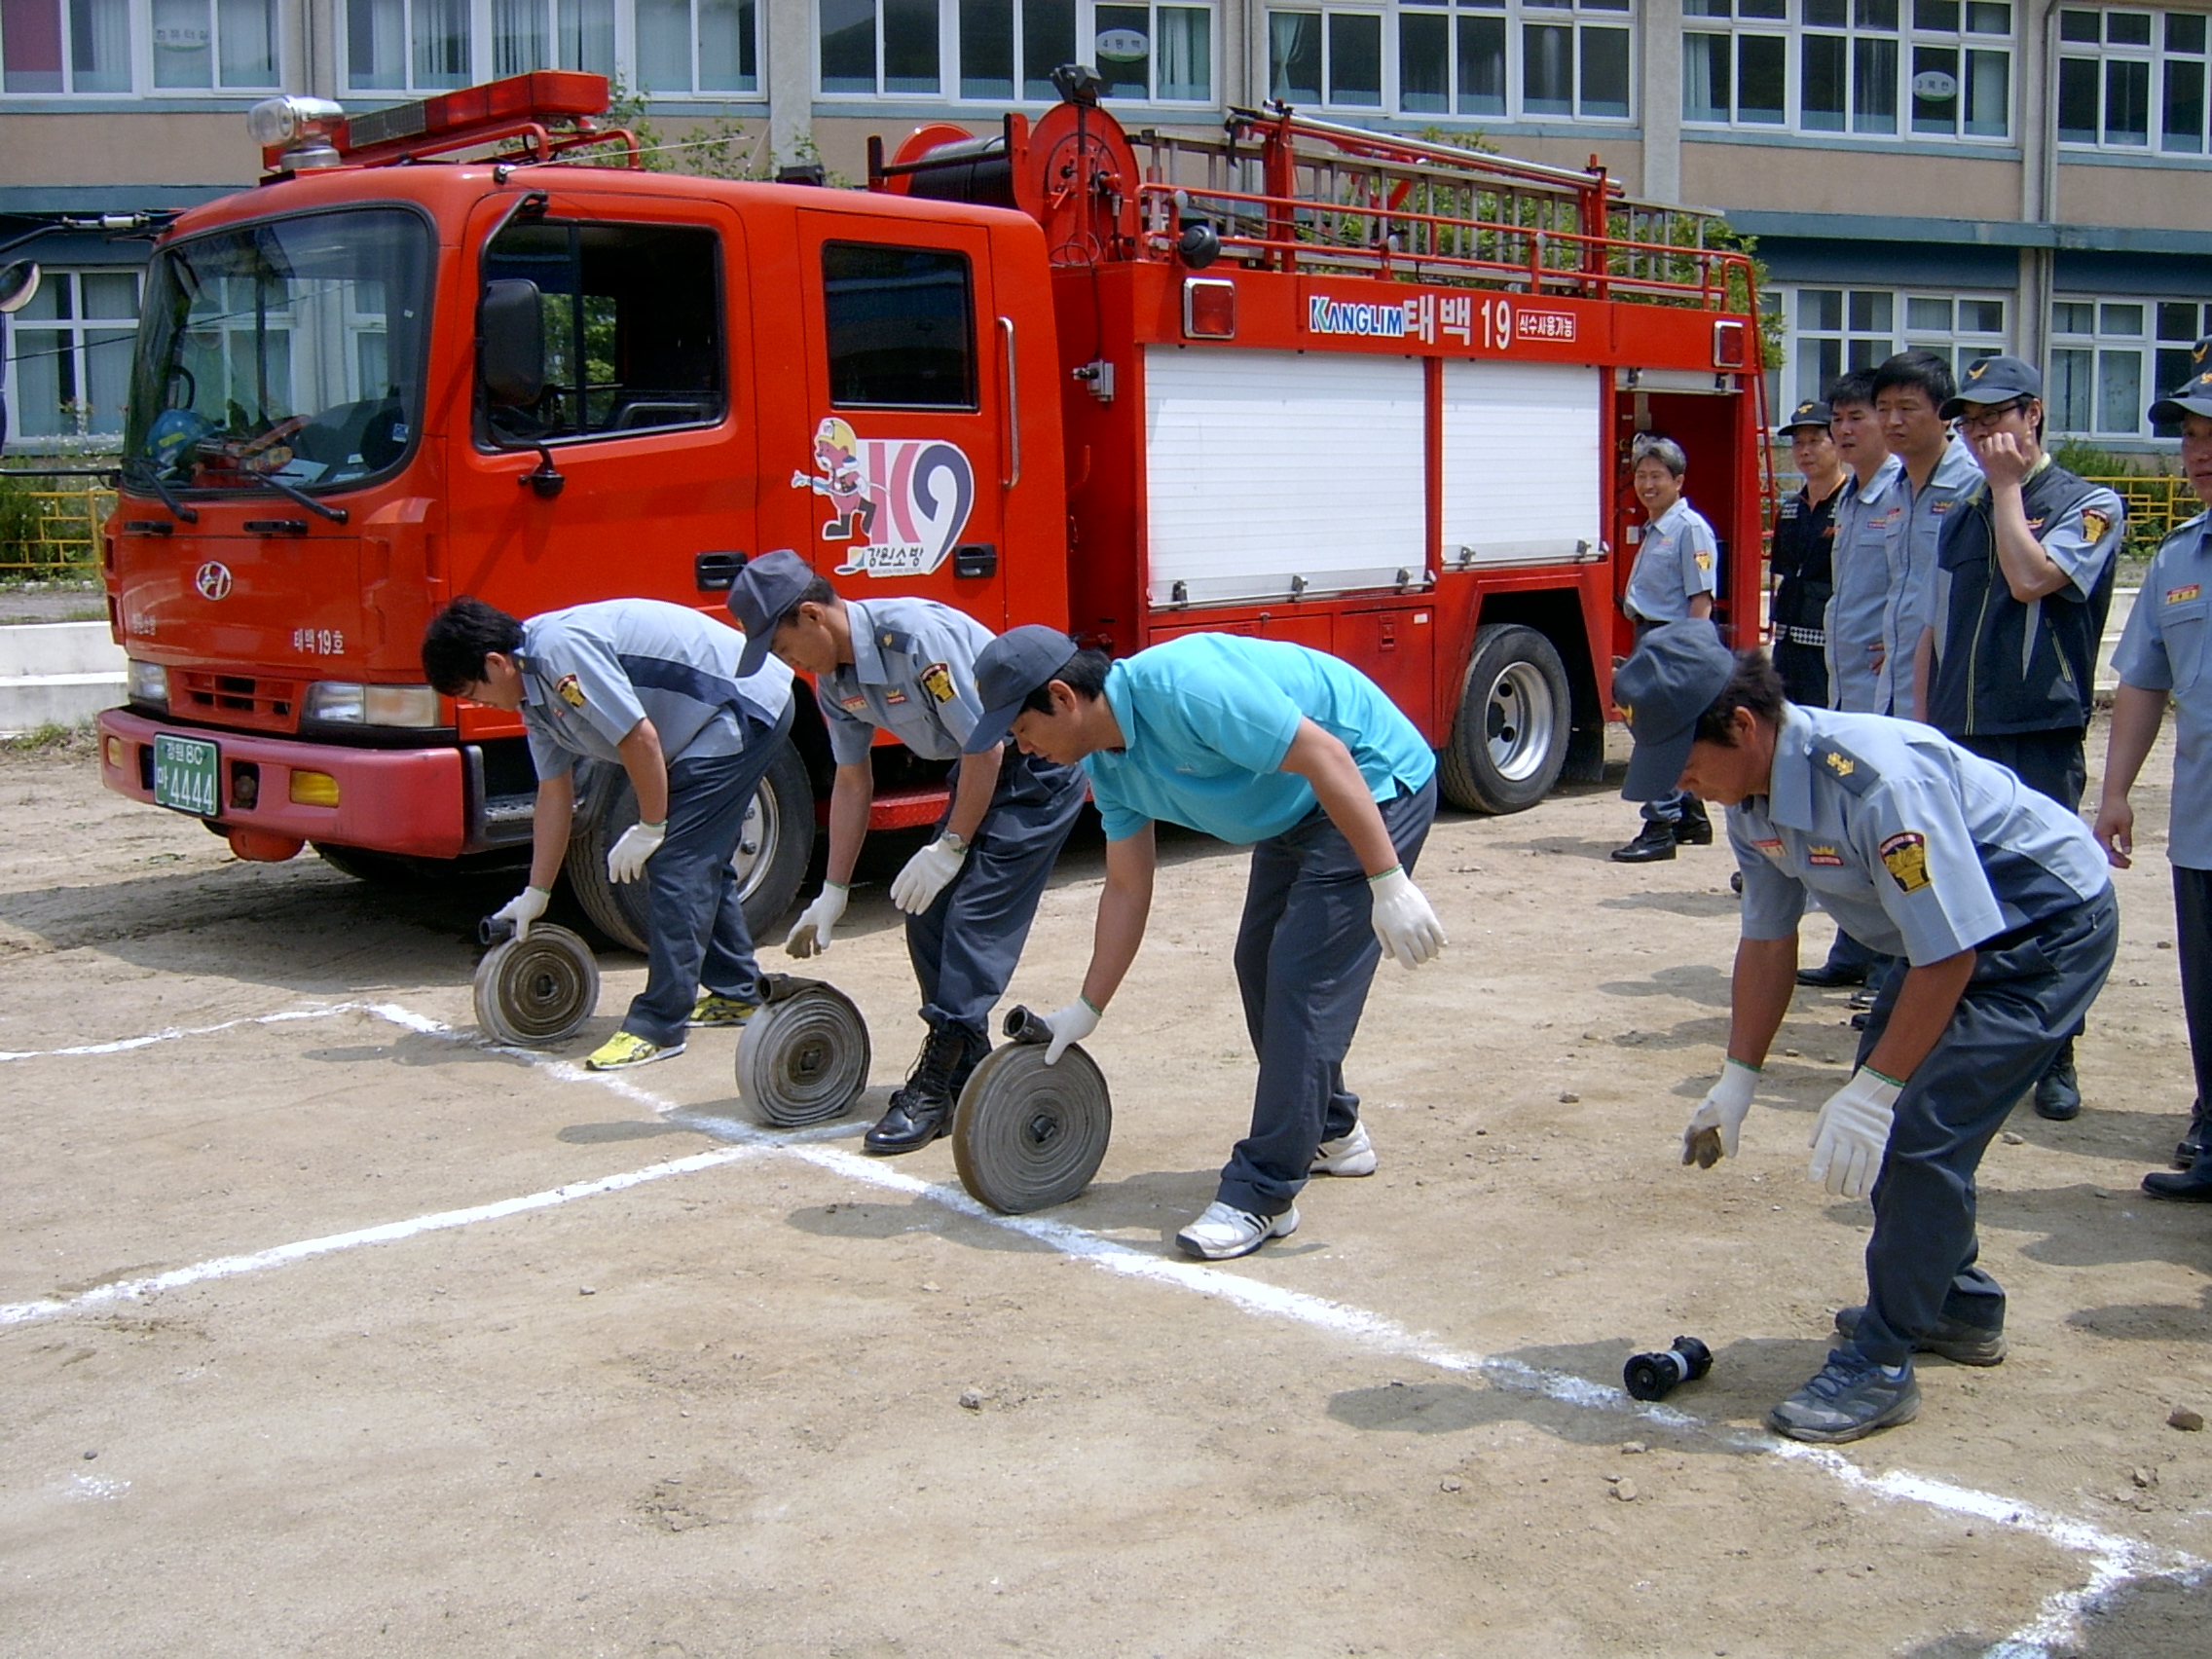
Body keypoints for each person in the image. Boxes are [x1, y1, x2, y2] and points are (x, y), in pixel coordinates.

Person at [1625, 623, 2116, 1442]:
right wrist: (1738, 1076)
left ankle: (1881, 1363)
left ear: (1742, 726)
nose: (1683, 784)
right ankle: (1955, 1302)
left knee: (1916, 1129)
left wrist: (1877, 1091)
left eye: (1685, 762)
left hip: (2042, 935)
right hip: (1940, 943)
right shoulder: (1750, 799)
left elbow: (1951, 953)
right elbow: (1768, 940)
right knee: (1892, 1118)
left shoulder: (1875, 784)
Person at [963, 626, 1446, 1261]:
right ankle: (1333, 1131)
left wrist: (1388, 882)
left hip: (1371, 780)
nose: (1023, 748)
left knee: (1303, 984)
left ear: (1062, 697)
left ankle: (1263, 1193)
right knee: (1258, 962)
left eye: (1023, 729)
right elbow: (1127, 887)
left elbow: (1327, 755)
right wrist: (1087, 1007)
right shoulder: (1108, 763)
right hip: (1298, 805)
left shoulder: (1186, 688)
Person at [723, 550, 1088, 1154]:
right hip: (978, 773)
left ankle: (936, 1078)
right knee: (925, 911)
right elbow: (852, 780)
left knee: (974, 915)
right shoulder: (835, 682)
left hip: (1036, 764)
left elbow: (987, 748)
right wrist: (833, 890)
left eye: (784, 647)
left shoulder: (914, 640)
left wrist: (951, 845)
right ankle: (964, 1065)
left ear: (812, 615)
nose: (788, 662)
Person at [421, 596, 795, 1071]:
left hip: (743, 706)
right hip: (709, 720)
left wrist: (651, 827)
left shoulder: (558, 654)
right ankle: (738, 990)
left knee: (678, 862)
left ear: (496, 663)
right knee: (698, 856)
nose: (478, 703)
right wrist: (536, 892)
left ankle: (659, 1027)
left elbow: (639, 738)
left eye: (474, 690)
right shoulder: (532, 693)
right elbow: (554, 793)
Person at [1924, 354, 2123, 1122]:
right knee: (1969, 893)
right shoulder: (1963, 508)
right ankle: (1977, 1047)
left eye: (1995, 419)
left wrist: (2008, 491)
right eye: (1971, 424)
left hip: (2036, 727)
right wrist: (1923, 724)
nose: (1982, 436)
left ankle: (2057, 1051)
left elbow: (2032, 579)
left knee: (2048, 896)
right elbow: (1937, 625)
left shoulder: (2086, 502)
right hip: (1961, 730)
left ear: (2033, 414)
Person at [2097, 341, 2212, 1192]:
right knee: (2204, 989)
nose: (2197, 454)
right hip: (2203, 823)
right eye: (2189, 437)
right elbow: (2143, 681)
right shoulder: (2177, 557)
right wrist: (2116, 793)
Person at [1803, 370, 1904, 992]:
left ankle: (1891, 965)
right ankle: (1856, 947)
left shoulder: (1901, 492)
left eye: (1855, 418)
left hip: (1886, 691)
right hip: (1846, 689)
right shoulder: (1850, 496)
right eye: (1837, 420)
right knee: (1849, 824)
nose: (1843, 430)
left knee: (1888, 826)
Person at [1612, 434, 1719, 864]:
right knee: (1671, 732)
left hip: (1672, 642)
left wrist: (1691, 657)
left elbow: (1701, 599)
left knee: (1656, 732)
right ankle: (1691, 816)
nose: (1647, 485)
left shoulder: (1689, 529)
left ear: (1678, 481)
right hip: (1649, 636)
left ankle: (1659, 827)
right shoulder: (1657, 528)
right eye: (1641, 476)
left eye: (1657, 476)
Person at [1871, 350, 1982, 721]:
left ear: (1944, 414)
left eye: (1907, 408)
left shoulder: (1974, 487)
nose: (1893, 421)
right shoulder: (1894, 490)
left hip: (1949, 689)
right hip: (1893, 687)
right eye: (1883, 409)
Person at [1769, 398, 1847, 709]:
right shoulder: (1790, 509)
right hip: (1787, 641)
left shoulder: (1851, 505)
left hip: (1829, 645)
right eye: (1798, 443)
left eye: (1815, 441)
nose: (1805, 451)